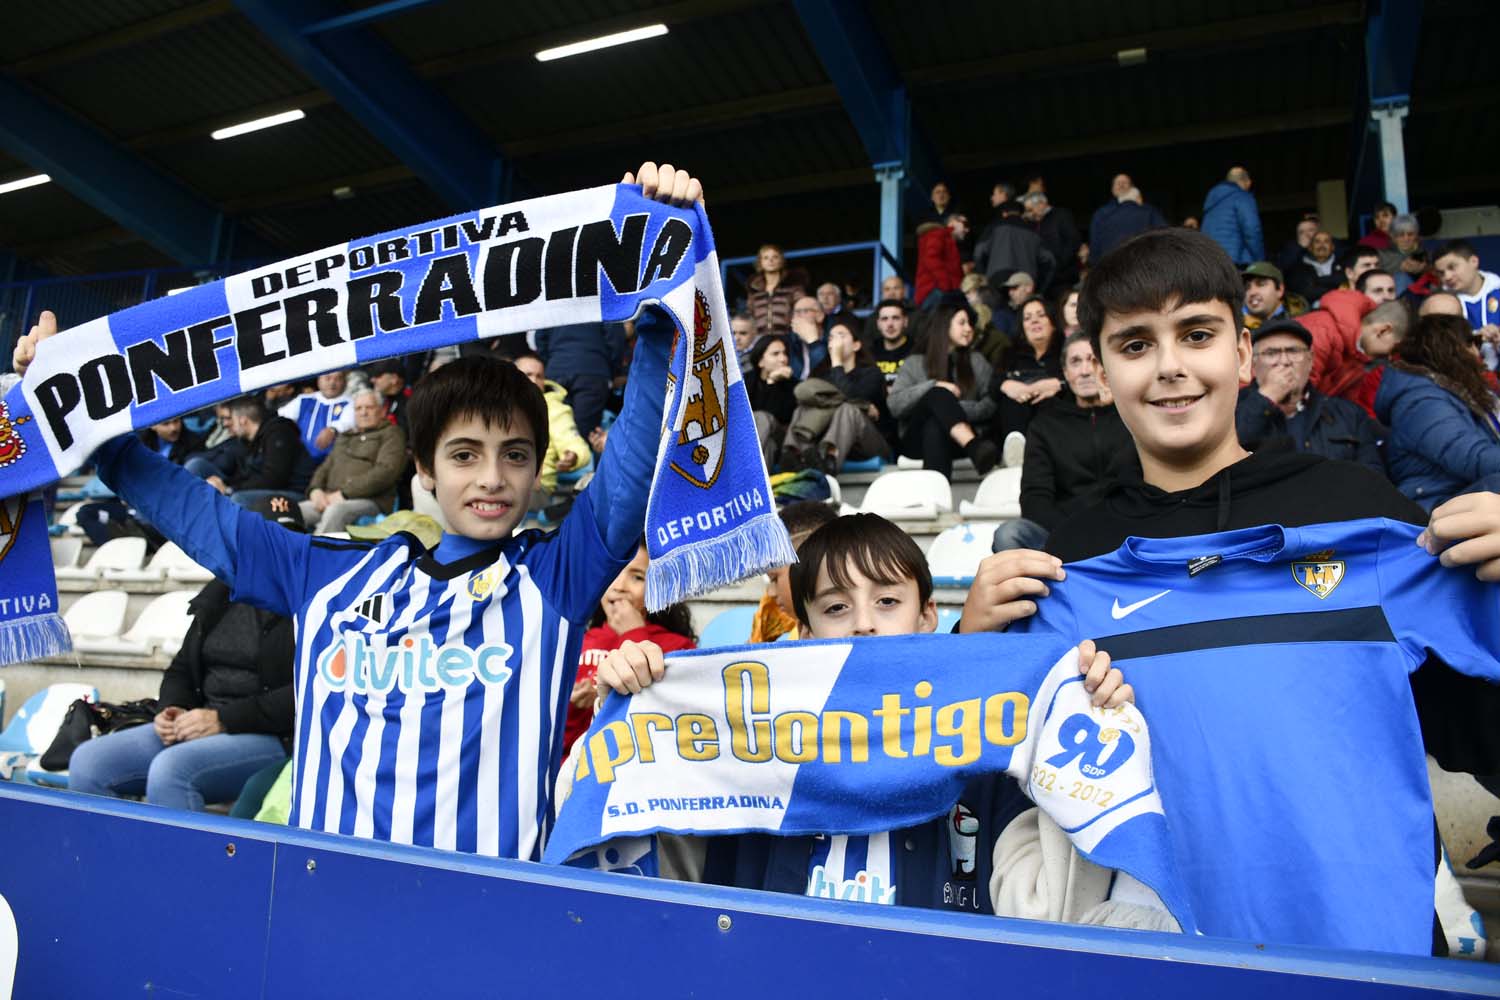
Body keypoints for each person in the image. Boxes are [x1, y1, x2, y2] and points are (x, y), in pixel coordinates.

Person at [12, 159, 702, 862]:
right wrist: (76, 419)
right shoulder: (326, 577)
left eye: (516, 455)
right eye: (464, 455)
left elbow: (631, 468)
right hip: (321, 912)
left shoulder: (557, 577)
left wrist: (655, 306)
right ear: (423, 469)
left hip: (487, 924)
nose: (492, 478)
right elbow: (191, 509)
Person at [589, 514, 1160, 927]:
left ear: (928, 617)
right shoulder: (749, 751)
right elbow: (637, 872)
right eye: (837, 607)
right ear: (804, 634)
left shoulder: (985, 756)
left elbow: (1049, 913)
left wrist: (1077, 730)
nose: (863, 624)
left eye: (887, 601)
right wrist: (626, 709)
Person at [68, 498, 300, 812]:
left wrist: (222, 719)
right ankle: (117, 860)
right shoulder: (220, 594)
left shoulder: (310, 604)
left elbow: (305, 694)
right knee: (90, 762)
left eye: (287, 538)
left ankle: (184, 863)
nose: (276, 548)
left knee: (173, 770)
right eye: (266, 538)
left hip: (273, 735)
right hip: (199, 721)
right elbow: (180, 669)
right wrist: (172, 708)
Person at [993, 332, 1136, 553]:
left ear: (1105, 368)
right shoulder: (1045, 425)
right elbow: (1035, 499)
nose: (1086, 371)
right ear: (1066, 373)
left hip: (1128, 530)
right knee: (1009, 534)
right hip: (1063, 533)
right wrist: (1073, 533)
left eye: (1093, 360)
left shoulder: (1133, 416)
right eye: (1076, 362)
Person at [563, 541, 696, 750]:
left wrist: (633, 634)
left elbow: (678, 720)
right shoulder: (576, 641)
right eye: (614, 573)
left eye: (637, 577)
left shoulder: (678, 646)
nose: (619, 586)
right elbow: (555, 740)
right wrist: (574, 707)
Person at [1374, 314, 1500, 510]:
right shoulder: (1420, 401)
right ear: (1450, 348)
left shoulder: (1453, 390)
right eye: (1471, 342)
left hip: (1465, 495)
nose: (1477, 351)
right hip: (1434, 507)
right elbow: (1473, 458)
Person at [1235, 318, 1383, 474]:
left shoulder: (1350, 415)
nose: (1284, 361)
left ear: (1310, 360)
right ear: (1254, 363)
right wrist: (1266, 398)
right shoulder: (1229, 409)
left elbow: (1373, 478)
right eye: (1271, 353)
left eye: (1293, 351)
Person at [888, 303, 999, 478]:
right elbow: (894, 405)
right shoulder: (915, 362)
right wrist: (934, 387)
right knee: (937, 393)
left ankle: (937, 498)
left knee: (936, 424)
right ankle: (974, 446)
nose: (969, 329)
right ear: (944, 325)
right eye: (962, 323)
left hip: (957, 444)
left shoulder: (976, 361)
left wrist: (949, 408)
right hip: (917, 442)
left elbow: (991, 404)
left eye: (970, 324)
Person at [780, 318, 890, 475]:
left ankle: (829, 461)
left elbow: (850, 396)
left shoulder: (871, 373)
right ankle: (794, 455)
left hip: (869, 444)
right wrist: (864, 406)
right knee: (804, 407)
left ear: (856, 345)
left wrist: (837, 361)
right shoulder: (823, 375)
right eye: (831, 337)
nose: (835, 340)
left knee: (847, 409)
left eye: (841, 335)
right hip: (824, 441)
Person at [75, 417, 205, 548]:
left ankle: (142, 541)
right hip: (133, 507)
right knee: (87, 513)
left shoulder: (193, 443)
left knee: (142, 519)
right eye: (166, 424)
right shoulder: (137, 444)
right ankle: (116, 555)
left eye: (177, 422)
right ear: (153, 425)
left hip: (165, 511)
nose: (174, 428)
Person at [299, 389, 408, 533]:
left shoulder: (392, 434)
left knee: (336, 512)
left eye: (369, 407)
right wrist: (315, 490)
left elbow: (386, 471)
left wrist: (345, 494)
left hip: (371, 501)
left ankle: (318, 554)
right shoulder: (346, 436)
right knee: (294, 511)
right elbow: (325, 467)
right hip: (330, 498)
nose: (363, 412)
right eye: (358, 408)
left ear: (382, 411)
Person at [184, 396, 319, 512]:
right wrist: (222, 483)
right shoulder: (248, 439)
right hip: (257, 488)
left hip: (292, 492)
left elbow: (274, 478)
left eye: (233, 419)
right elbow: (246, 475)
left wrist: (230, 488)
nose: (230, 425)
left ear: (243, 420)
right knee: (197, 466)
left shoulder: (279, 433)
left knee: (238, 499)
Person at [749, 501, 838, 644]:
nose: (771, 593)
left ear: (808, 566)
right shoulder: (795, 636)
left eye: (774, 579)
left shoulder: (853, 631)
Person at [513, 350, 592, 510]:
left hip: (536, 487)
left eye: (539, 376)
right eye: (528, 374)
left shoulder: (554, 410)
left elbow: (575, 443)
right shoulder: (495, 405)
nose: (534, 380)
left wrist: (573, 456)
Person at [534, 320, 626, 439]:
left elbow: (540, 337)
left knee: (556, 426)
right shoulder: (600, 301)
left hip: (557, 371)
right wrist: (612, 370)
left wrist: (552, 362)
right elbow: (615, 337)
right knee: (585, 433)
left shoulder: (554, 303)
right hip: (593, 371)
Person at [993, 296, 1064, 450]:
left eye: (1041, 315)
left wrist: (1059, 384)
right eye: (1027, 318)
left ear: (1052, 322)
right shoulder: (1008, 353)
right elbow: (992, 386)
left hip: (1056, 417)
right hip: (1017, 416)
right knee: (1011, 403)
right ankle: (1015, 453)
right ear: (1022, 327)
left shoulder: (1066, 350)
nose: (1034, 321)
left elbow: (1082, 378)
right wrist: (1006, 384)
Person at [1434, 239, 1500, 370]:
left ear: (1473, 261)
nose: (1447, 277)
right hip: (1467, 379)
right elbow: (1441, 352)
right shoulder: (1441, 304)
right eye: (1441, 273)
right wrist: (1476, 340)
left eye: (1452, 267)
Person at [973, 200, 1052, 292]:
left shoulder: (994, 227)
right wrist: (1041, 289)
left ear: (1004, 214)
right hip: (1026, 279)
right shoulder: (1034, 230)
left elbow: (978, 253)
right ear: (1021, 214)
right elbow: (1049, 261)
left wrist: (983, 276)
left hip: (997, 278)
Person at [279, 370, 355, 462]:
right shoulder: (304, 400)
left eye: (338, 378)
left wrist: (333, 429)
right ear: (319, 380)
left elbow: (348, 422)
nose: (332, 383)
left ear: (345, 381)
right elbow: (281, 418)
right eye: (328, 378)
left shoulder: (350, 403)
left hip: (334, 462)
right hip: (300, 461)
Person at [746, 336, 799, 468]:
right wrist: (770, 382)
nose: (783, 358)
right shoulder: (747, 381)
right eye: (775, 354)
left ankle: (746, 469)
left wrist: (772, 383)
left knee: (762, 417)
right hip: (754, 439)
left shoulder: (793, 385)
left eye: (784, 353)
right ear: (760, 362)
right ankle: (760, 486)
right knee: (769, 446)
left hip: (782, 438)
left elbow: (781, 416)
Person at [1201, 166, 1263, 266]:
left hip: (1210, 260)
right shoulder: (1242, 197)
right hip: (1233, 260)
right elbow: (1252, 230)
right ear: (1247, 182)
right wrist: (1259, 260)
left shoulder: (1212, 200)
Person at [1088, 183, 1166, 261]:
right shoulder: (1149, 211)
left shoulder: (1102, 213)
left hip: (1108, 265)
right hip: (1141, 264)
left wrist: (1094, 262)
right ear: (1138, 198)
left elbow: (1095, 244)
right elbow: (1164, 234)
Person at [745, 243, 807, 340]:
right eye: (766, 257)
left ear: (781, 261)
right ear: (760, 262)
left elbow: (803, 312)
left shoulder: (793, 288)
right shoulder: (754, 291)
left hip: (788, 338)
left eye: (775, 257)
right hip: (760, 339)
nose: (771, 260)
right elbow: (750, 316)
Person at [1022, 191, 1081, 291]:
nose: (1029, 214)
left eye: (1030, 210)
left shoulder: (1061, 215)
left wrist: (1058, 264)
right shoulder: (1032, 222)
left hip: (1063, 276)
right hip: (1043, 278)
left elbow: (1073, 241)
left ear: (1041, 204)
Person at [915, 216, 965, 306]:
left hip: (941, 290)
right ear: (953, 223)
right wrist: (946, 285)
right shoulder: (937, 234)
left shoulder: (946, 238)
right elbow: (931, 258)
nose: (967, 229)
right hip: (934, 290)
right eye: (964, 224)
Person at [1240, 262, 1306, 330]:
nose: (1252, 292)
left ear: (1280, 290)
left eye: (1261, 284)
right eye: (1247, 287)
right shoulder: (1236, 328)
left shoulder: (1304, 321)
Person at [1286, 230, 1342, 305]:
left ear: (1332, 247)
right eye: (1317, 242)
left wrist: (1316, 282)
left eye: (1326, 241)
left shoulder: (1343, 264)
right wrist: (1335, 288)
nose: (1322, 245)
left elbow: (1344, 281)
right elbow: (1306, 292)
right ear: (1310, 247)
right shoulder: (1298, 268)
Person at [368, 359, 412, 434]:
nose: (372, 380)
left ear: (394, 378)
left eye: (378, 375)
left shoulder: (411, 400)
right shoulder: (386, 399)